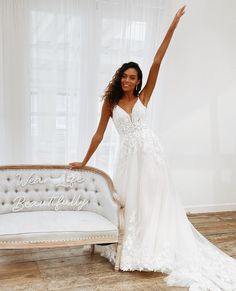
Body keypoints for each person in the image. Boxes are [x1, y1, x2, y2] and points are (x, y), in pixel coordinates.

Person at [70, 6, 236, 290]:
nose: (127, 80)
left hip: (150, 154)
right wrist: (84, 161)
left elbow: (158, 60)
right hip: (127, 157)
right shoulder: (110, 104)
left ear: (138, 81)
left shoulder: (144, 96)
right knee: (131, 202)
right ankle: (131, 245)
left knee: (153, 200)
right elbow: (98, 134)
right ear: (120, 78)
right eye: (124, 76)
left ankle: (156, 245)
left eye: (132, 77)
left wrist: (173, 25)